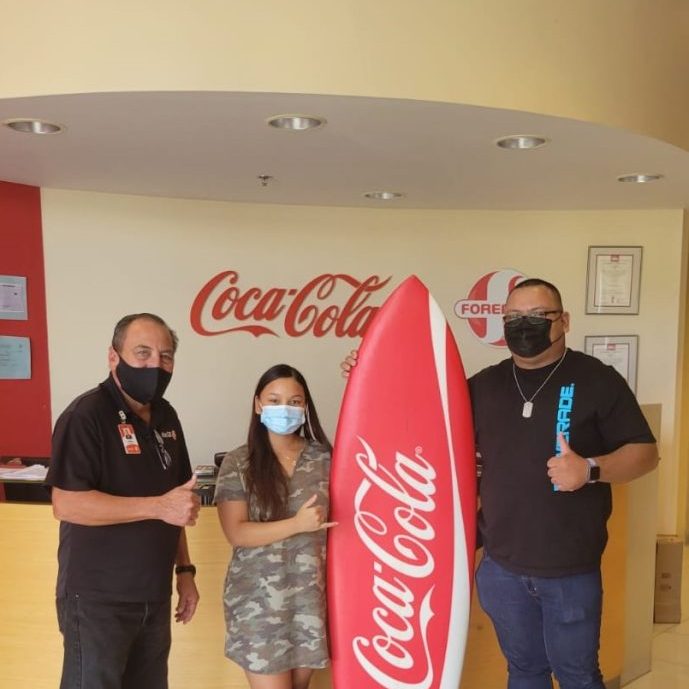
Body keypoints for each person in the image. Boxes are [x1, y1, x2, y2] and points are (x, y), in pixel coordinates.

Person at [341, 278, 658, 689]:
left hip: (569, 570)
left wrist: (590, 469)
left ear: (563, 320)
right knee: (524, 671)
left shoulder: (598, 379)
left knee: (578, 674)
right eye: (512, 317)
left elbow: (645, 454)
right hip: (499, 568)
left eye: (535, 316)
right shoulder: (481, 386)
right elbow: (418, 421)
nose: (522, 325)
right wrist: (370, 373)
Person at [46, 313, 201, 689]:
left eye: (165, 356)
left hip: (153, 595)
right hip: (97, 600)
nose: (155, 365)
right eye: (143, 353)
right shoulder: (86, 415)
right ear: (113, 357)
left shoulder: (166, 415)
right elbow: (66, 504)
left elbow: (176, 503)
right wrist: (156, 506)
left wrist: (185, 572)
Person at [215, 364, 335, 689]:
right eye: (275, 399)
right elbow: (237, 532)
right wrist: (297, 524)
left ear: (305, 407)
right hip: (258, 606)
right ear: (258, 404)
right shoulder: (239, 462)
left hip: (310, 601)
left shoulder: (326, 459)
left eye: (295, 402)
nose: (285, 408)